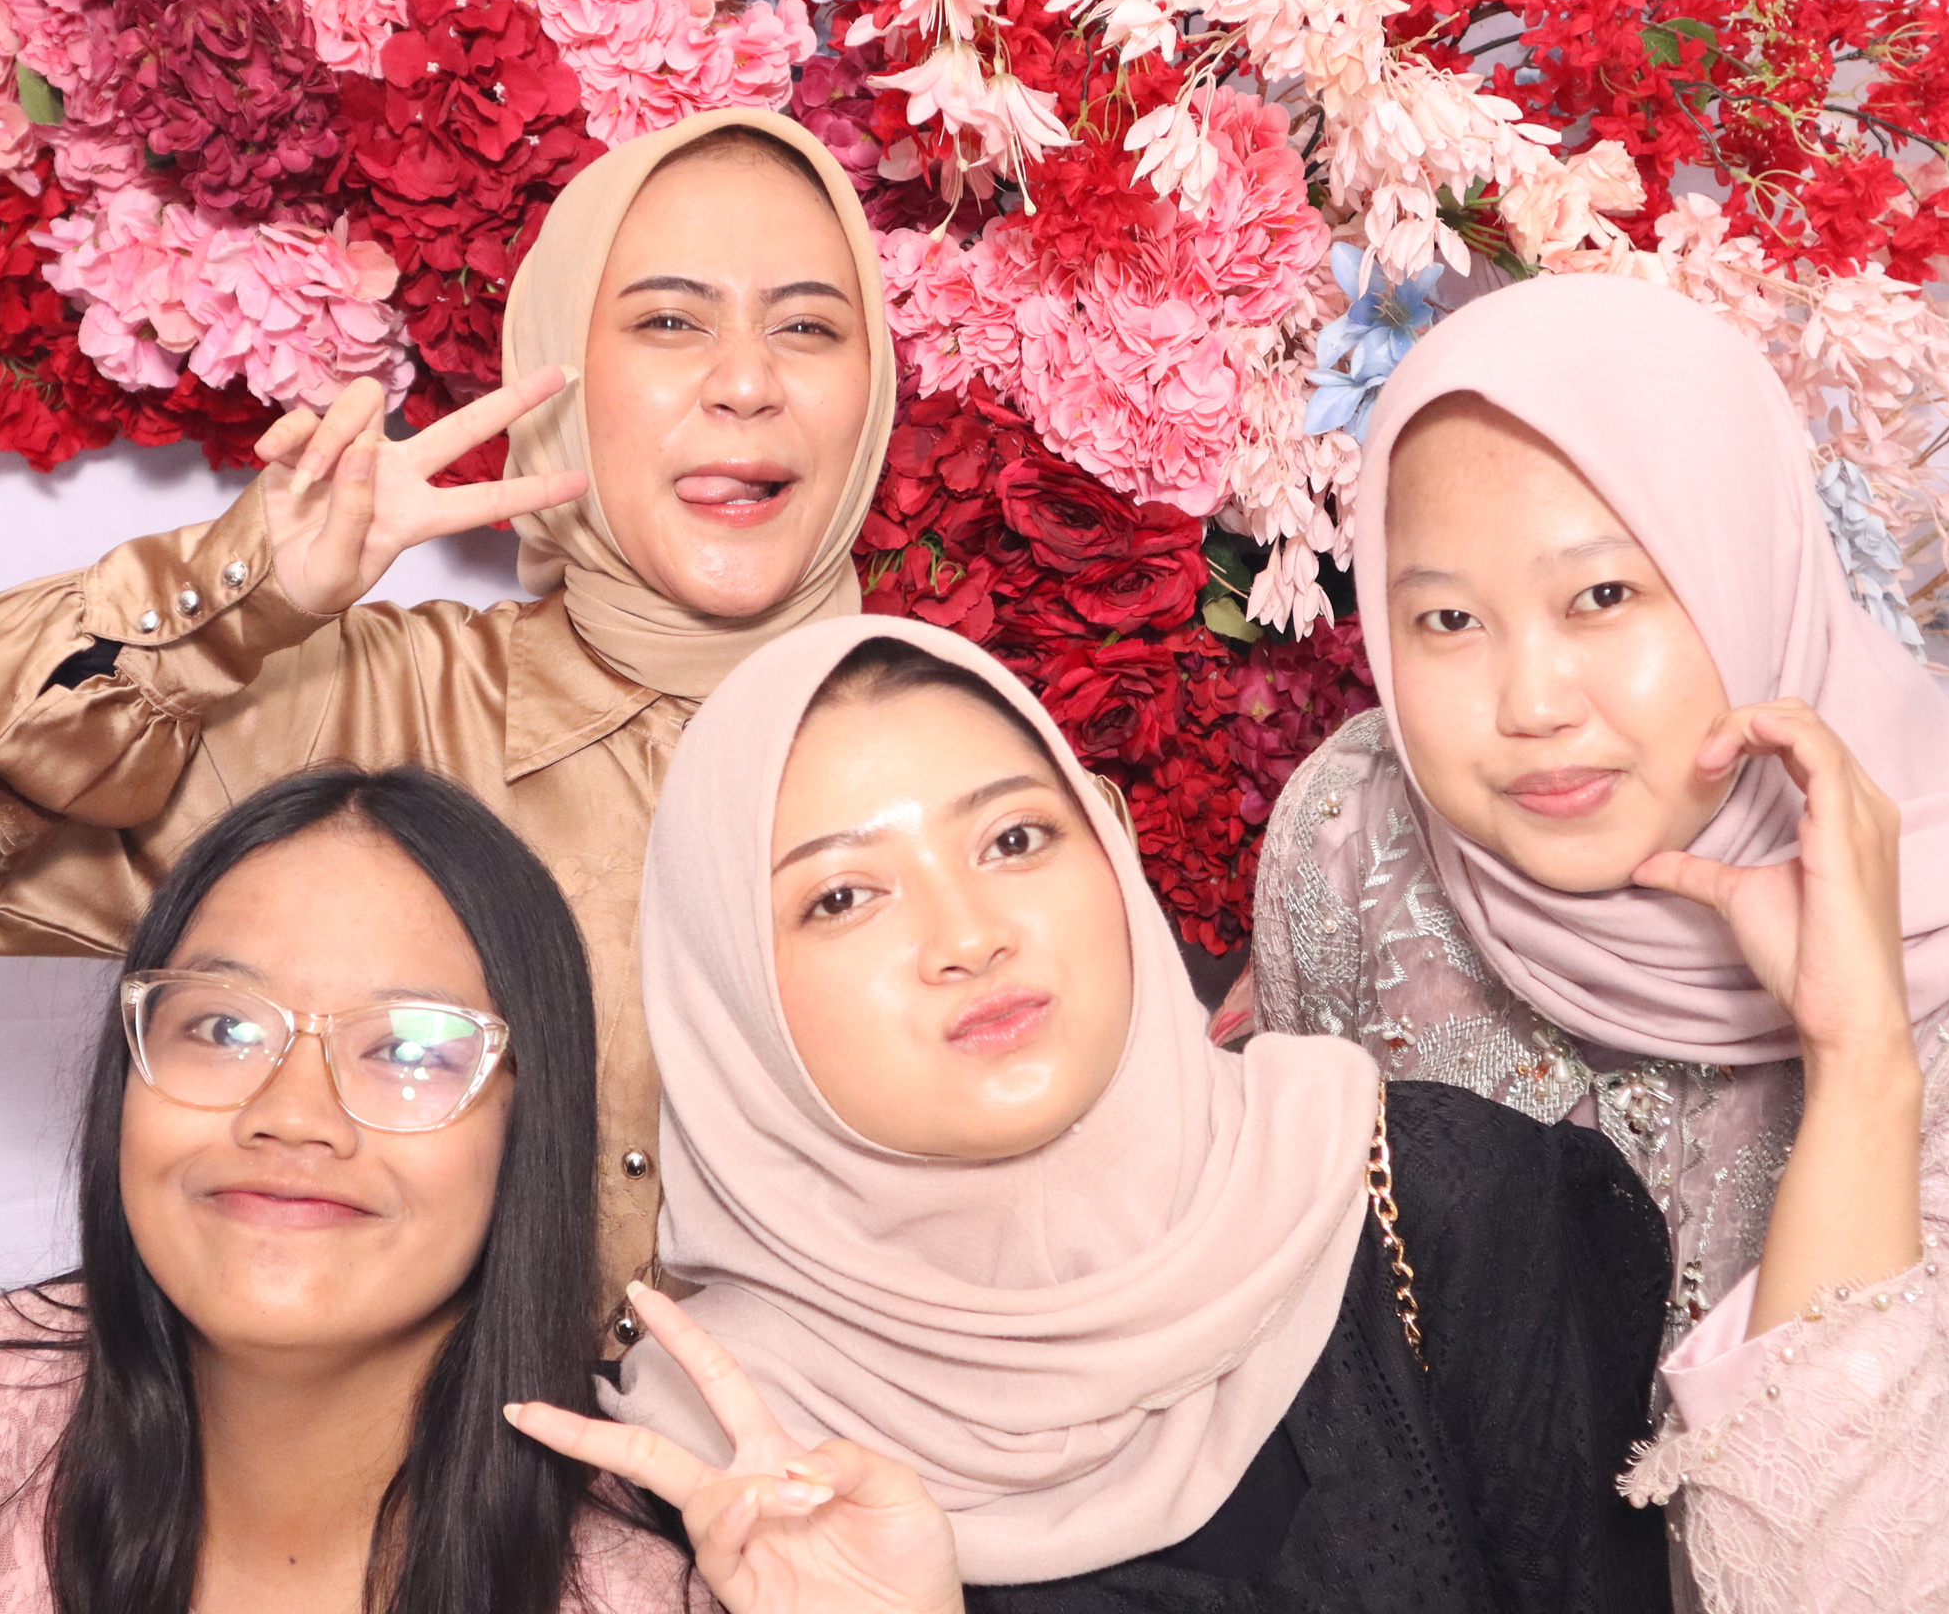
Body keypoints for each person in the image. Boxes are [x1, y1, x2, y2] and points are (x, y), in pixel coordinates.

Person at [1246, 273, 1949, 1614]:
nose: (1531, 702)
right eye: (1447, 620)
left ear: (1746, 574)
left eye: (1604, 595)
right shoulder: (1356, 833)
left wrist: (1859, 1058)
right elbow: (1315, 1369)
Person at [0, 110, 896, 1302]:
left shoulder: (975, 764)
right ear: (556, 374)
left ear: (873, 392)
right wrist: (234, 594)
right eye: (669, 322)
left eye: (808, 328)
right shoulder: (354, 715)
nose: (746, 384)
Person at [553, 616, 1675, 1609]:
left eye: (1014, 839)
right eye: (843, 897)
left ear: (1109, 845)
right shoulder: (699, 1484)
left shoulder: (1430, 1201)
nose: (969, 936)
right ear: (728, 1000)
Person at [0, 761, 959, 1614]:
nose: (291, 1115)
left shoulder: (649, 1579)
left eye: (410, 1050)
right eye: (222, 1028)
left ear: (530, 1128)